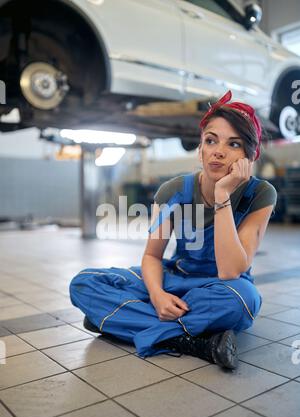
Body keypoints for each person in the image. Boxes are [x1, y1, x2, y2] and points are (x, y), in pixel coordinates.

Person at [69, 90, 277, 370]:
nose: (218, 151)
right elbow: (152, 256)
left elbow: (231, 270)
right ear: (200, 148)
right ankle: (194, 341)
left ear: (249, 156)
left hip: (222, 287)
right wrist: (157, 296)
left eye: (234, 144)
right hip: (176, 277)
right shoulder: (174, 191)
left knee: (243, 302)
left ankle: (119, 321)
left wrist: (223, 196)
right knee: (85, 283)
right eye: (211, 140)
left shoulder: (261, 194)